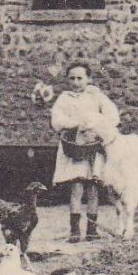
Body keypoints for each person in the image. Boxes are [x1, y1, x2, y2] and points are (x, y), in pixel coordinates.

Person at [50, 61, 119, 242]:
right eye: (72, 78)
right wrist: (75, 124)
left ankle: (91, 229)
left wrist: (97, 125)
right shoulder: (65, 98)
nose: (76, 82)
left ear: (88, 79)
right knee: (76, 187)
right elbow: (57, 120)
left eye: (80, 78)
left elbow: (113, 116)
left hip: (93, 147)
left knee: (93, 188)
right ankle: (74, 230)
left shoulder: (96, 96)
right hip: (74, 148)